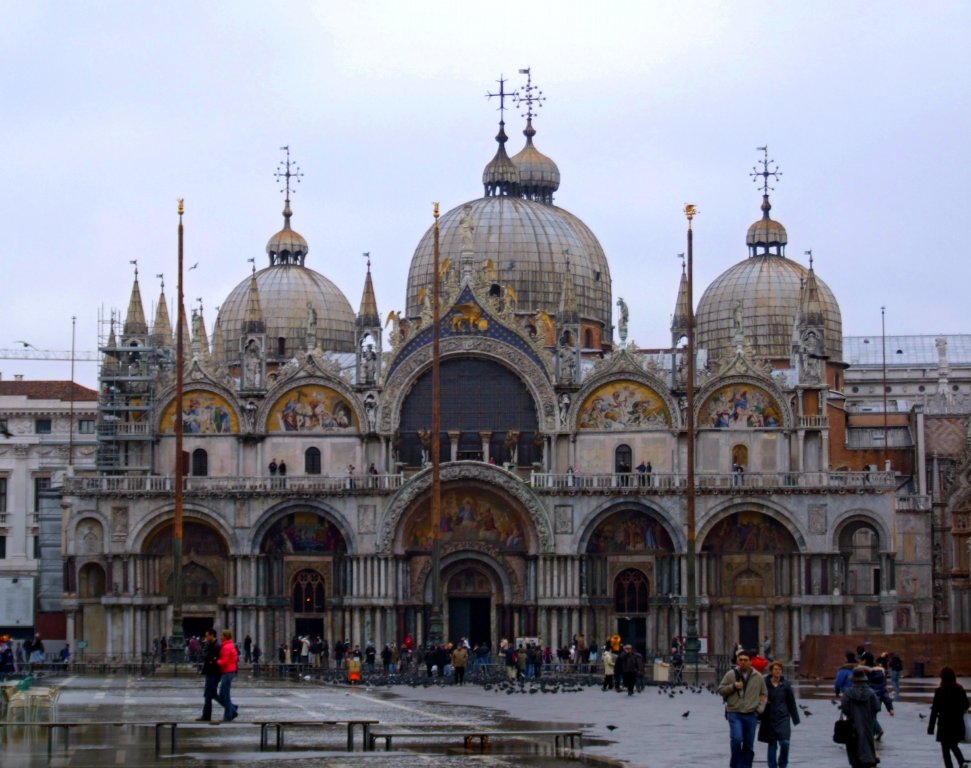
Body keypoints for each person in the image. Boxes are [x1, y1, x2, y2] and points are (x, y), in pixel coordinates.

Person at [718, 650, 768, 768]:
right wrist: (733, 686)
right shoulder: (731, 674)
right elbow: (720, 689)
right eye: (741, 660)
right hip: (735, 712)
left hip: (751, 714)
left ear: (751, 662)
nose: (743, 662)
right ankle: (735, 765)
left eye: (746, 660)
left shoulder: (758, 676)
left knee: (748, 744)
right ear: (737, 661)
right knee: (736, 739)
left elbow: (764, 694)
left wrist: (759, 710)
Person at [758, 660, 800, 768]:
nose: (778, 671)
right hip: (769, 717)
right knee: (772, 744)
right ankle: (772, 766)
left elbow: (791, 702)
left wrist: (795, 718)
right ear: (771, 671)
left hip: (783, 717)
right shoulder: (764, 683)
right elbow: (759, 698)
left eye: (780, 670)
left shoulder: (786, 685)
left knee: (785, 742)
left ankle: (783, 764)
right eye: (776, 669)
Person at [928, 665, 969, 768]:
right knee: (953, 745)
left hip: (944, 724)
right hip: (957, 723)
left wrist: (931, 727)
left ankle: (952, 765)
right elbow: (966, 705)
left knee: (945, 750)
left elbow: (934, 710)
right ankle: (962, 762)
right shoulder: (959, 689)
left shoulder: (939, 691)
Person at [841, 667, 880, 768]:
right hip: (867, 724)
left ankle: (856, 762)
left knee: (854, 747)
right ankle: (868, 761)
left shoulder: (847, 693)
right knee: (867, 743)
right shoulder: (871, 693)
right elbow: (877, 707)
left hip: (852, 725)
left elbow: (845, 709)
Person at [196, 628, 223, 721]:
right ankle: (231, 708)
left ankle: (206, 716)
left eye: (207, 635)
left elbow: (209, 657)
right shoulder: (209, 645)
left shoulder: (217, 646)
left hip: (214, 673)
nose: (206, 637)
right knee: (213, 694)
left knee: (208, 695)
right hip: (210, 672)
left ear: (212, 635)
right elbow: (205, 656)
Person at [216, 629, 239, 722]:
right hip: (230, 671)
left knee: (224, 694)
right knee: (224, 694)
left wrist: (216, 661)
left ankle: (229, 714)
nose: (220, 637)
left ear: (225, 636)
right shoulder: (230, 645)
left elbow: (224, 661)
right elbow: (235, 658)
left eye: (222, 635)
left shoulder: (226, 647)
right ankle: (232, 710)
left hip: (228, 671)